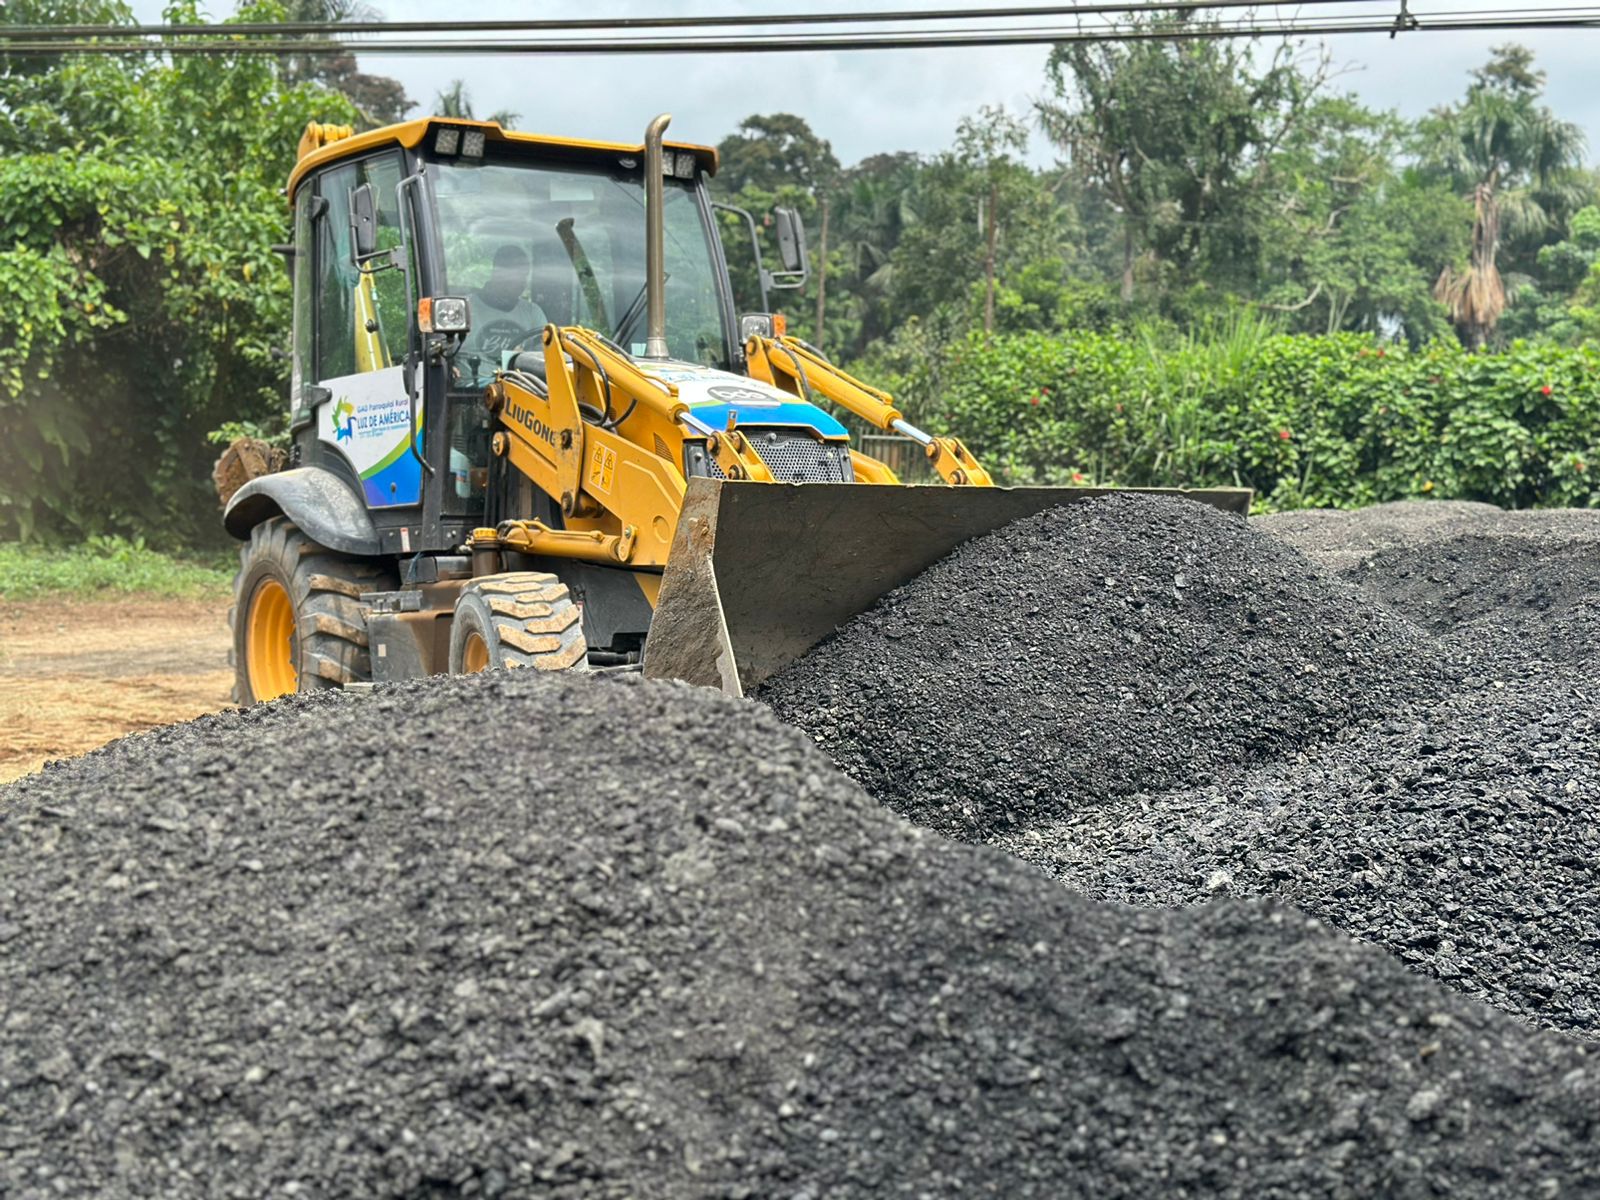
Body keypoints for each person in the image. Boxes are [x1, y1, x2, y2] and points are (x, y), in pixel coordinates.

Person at [461, 243, 548, 374]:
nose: (522, 283)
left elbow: (545, 359)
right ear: (497, 273)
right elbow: (443, 353)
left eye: (524, 276)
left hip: (520, 386)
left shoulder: (532, 313)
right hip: (469, 386)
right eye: (516, 275)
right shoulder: (462, 309)